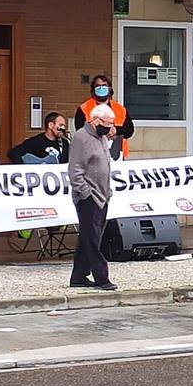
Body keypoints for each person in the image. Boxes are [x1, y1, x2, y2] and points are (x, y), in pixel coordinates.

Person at [68, 103, 116, 291]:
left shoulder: (101, 137)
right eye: (107, 123)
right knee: (92, 239)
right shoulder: (82, 137)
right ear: (95, 120)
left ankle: (78, 276)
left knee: (89, 237)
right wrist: (85, 193)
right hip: (88, 197)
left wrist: (107, 192)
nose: (110, 127)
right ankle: (101, 277)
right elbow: (75, 170)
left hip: (102, 195)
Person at [75, 75, 135, 160]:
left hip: (117, 156)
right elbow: (80, 132)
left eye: (104, 86)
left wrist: (116, 130)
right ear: (93, 89)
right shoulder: (83, 109)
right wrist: (102, 130)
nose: (101, 88)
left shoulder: (120, 109)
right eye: (98, 86)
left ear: (109, 89)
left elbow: (129, 130)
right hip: (91, 157)